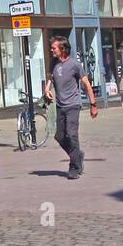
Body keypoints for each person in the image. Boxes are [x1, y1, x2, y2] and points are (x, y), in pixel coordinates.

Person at [44, 35, 97, 180]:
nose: (51, 50)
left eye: (54, 48)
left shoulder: (75, 65)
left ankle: (74, 166)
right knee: (59, 136)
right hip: (60, 106)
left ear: (63, 49)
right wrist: (47, 89)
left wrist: (93, 104)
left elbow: (86, 84)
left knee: (71, 134)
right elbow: (50, 78)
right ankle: (77, 155)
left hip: (73, 105)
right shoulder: (53, 63)